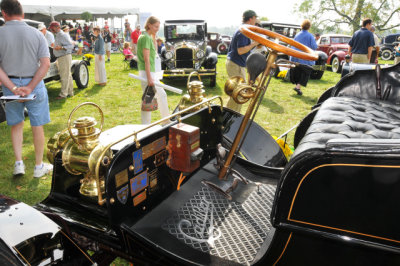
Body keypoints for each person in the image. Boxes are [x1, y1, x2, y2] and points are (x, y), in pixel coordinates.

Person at [0, 0, 53, 178]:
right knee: (37, 126)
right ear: (22, 14)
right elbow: (45, 64)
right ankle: (38, 167)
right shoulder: (37, 34)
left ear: (4, 13)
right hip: (35, 84)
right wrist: (29, 86)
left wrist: (14, 87)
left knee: (16, 124)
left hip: (10, 85)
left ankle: (19, 164)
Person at [137, 16, 169, 124]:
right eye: (155, 26)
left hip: (148, 72)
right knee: (156, 96)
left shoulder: (145, 36)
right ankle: (166, 121)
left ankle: (147, 125)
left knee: (148, 99)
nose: (157, 29)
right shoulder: (145, 38)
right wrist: (149, 78)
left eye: (158, 27)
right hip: (147, 73)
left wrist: (154, 36)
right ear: (149, 25)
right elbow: (146, 59)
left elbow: (154, 52)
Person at [225, 10, 259, 113]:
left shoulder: (244, 30)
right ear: (251, 18)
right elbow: (241, 51)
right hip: (235, 64)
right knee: (239, 93)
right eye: (255, 18)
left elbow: (245, 53)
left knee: (236, 92)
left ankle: (228, 113)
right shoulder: (243, 31)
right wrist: (254, 43)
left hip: (236, 64)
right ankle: (231, 115)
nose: (256, 20)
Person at [289, 19, 318, 96]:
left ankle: (298, 87)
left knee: (298, 73)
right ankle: (298, 87)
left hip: (296, 57)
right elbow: (314, 47)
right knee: (306, 72)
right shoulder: (310, 36)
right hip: (305, 59)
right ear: (309, 27)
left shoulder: (297, 35)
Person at [49, 21, 74, 100]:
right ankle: (70, 92)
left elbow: (70, 46)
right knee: (67, 75)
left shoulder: (62, 35)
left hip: (64, 56)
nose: (51, 30)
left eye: (52, 28)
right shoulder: (58, 35)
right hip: (62, 57)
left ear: (57, 27)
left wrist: (61, 48)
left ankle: (63, 94)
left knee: (64, 76)